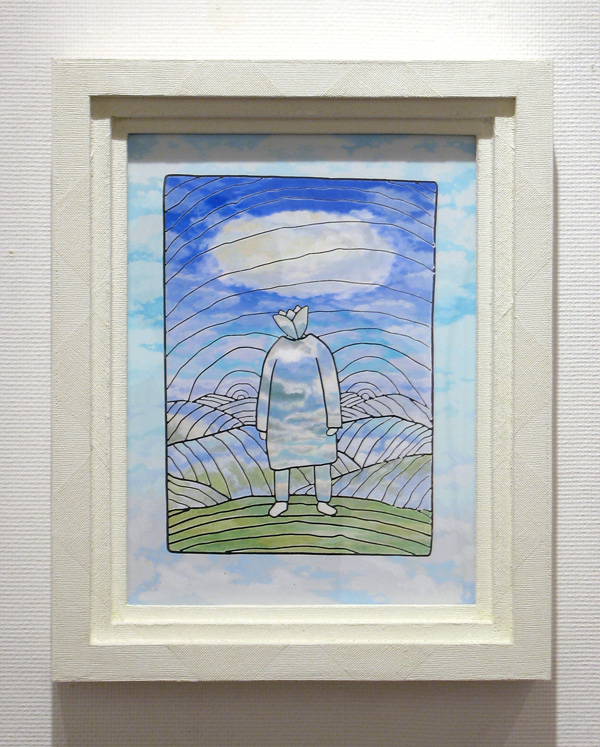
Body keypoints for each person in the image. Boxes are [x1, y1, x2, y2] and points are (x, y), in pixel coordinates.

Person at [256, 306, 342, 517]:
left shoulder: (318, 347)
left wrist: (333, 419)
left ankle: (323, 501)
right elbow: (265, 387)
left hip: (316, 417)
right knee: (281, 463)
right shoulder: (277, 349)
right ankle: (281, 501)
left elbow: (330, 383)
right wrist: (263, 423)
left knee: (322, 462)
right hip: (281, 419)